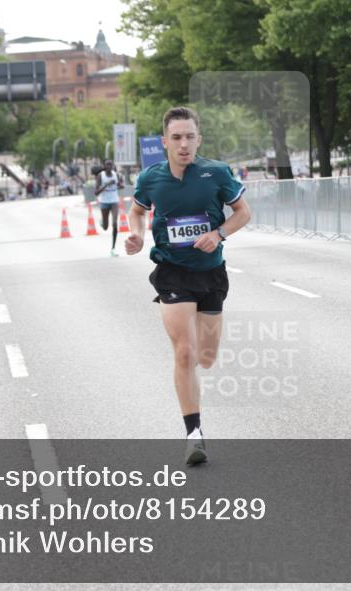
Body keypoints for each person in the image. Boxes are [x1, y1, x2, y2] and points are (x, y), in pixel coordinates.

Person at [125, 107, 251, 465]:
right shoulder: (152, 178)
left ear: (199, 140)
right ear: (164, 141)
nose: (184, 144)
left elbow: (243, 212)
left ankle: (196, 405)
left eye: (190, 137)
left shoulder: (216, 173)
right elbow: (137, 211)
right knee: (184, 352)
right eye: (176, 137)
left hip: (210, 273)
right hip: (172, 272)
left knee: (206, 358)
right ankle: (193, 433)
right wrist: (135, 236)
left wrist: (219, 233)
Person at [95, 160, 124, 256]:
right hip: (104, 202)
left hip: (114, 201)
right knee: (105, 227)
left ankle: (113, 248)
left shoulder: (116, 175)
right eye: (107, 165)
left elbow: (121, 186)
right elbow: (96, 192)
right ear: (104, 166)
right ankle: (102, 221)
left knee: (115, 223)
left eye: (111, 165)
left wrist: (119, 185)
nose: (109, 166)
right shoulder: (101, 176)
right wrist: (107, 184)